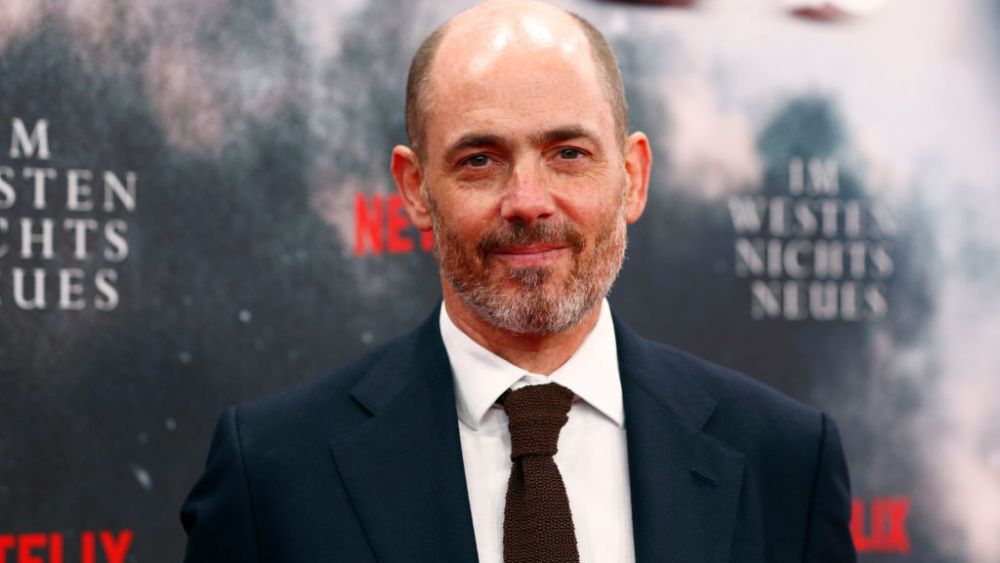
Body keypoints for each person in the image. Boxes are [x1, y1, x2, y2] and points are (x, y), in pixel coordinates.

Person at [180, 1, 856, 562]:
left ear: (634, 176)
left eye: (568, 153)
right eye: (480, 158)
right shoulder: (272, 472)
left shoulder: (785, 461)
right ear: (415, 190)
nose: (528, 200)